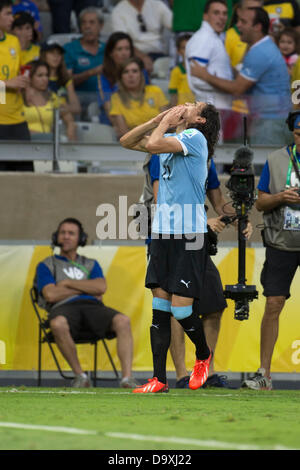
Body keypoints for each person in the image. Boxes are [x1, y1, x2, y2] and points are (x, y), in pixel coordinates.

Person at [120, 102, 221, 393]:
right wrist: (154, 119)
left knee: (180, 310)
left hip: (189, 234)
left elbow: (152, 143)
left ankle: (203, 355)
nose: (185, 104)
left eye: (193, 105)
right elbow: (126, 141)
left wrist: (163, 123)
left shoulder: (194, 137)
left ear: (199, 119)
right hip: (162, 233)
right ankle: (158, 379)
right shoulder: (170, 143)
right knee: (160, 308)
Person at [35, 217, 139, 388]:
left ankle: (127, 378)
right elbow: (51, 294)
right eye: (63, 233)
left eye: (71, 233)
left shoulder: (90, 264)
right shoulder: (46, 265)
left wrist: (67, 283)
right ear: (56, 237)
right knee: (57, 323)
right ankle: (80, 376)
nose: (66, 237)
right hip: (63, 308)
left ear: (81, 239)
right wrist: (86, 288)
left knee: (123, 320)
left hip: (93, 308)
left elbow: (101, 287)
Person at [242, 111, 300, 390]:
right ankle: (264, 373)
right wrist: (281, 196)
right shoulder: (276, 160)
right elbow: (261, 203)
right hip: (281, 240)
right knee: (274, 302)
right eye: (299, 133)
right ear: (292, 132)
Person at [190, 6, 292, 145]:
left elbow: (237, 88)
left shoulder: (260, 52)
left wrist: (205, 75)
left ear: (257, 27)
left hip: (270, 123)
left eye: (243, 22)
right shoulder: (263, 47)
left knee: (266, 166)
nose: (238, 25)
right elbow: (245, 78)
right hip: (271, 120)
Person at [0, 0, 32, 171]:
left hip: (18, 120)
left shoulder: (13, 42)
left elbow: (18, 75)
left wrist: (24, 83)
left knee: (25, 180)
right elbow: (9, 82)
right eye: (7, 14)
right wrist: (6, 84)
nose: (12, 18)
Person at [97, 31, 149, 126]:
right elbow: (108, 107)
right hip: (113, 124)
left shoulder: (142, 72)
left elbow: (148, 98)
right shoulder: (104, 76)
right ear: (111, 53)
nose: (124, 53)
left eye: (127, 49)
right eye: (119, 49)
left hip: (141, 119)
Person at [109, 57, 169, 139]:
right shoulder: (116, 98)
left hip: (159, 139)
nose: (130, 75)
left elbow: (167, 121)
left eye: (135, 71)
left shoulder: (155, 91)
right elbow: (123, 131)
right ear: (121, 77)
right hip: (133, 144)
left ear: (141, 75)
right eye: (126, 72)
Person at [111, 0, 172, 74]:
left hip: (159, 54)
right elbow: (121, 41)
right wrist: (143, 57)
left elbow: (174, 25)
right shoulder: (118, 11)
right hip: (134, 56)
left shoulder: (157, 4)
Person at [63, 7, 105, 114]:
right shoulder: (70, 49)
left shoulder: (108, 49)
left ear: (101, 26)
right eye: (84, 23)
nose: (87, 26)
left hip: (104, 96)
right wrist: (90, 73)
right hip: (78, 96)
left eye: (92, 23)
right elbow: (67, 81)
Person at [23, 59, 77, 141]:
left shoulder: (52, 96)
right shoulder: (18, 97)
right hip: (25, 142)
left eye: (47, 75)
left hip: (47, 143)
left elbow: (68, 115)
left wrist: (70, 126)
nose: (45, 79)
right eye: (40, 75)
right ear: (29, 77)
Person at [41, 42, 81, 116]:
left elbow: (77, 108)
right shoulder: (37, 77)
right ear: (44, 55)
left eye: (59, 54)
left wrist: (60, 108)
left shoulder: (66, 79)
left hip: (62, 119)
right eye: (51, 53)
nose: (56, 56)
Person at [168, 34, 195, 106]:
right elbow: (173, 95)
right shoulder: (176, 71)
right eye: (184, 48)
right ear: (178, 51)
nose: (188, 50)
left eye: (190, 47)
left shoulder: (202, 70)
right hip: (183, 110)